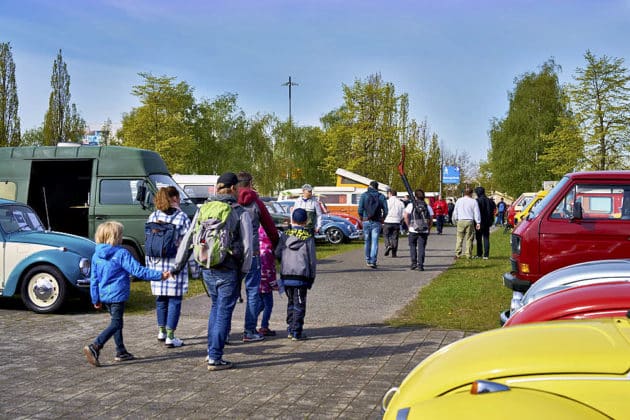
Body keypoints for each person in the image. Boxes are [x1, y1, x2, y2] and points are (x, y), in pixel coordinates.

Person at [83, 221, 169, 367]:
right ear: (115, 237)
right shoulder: (121, 253)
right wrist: (160, 275)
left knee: (116, 322)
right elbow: (138, 271)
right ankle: (96, 346)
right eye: (121, 235)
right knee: (116, 323)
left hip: (105, 295)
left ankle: (121, 351)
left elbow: (94, 279)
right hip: (118, 295)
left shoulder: (96, 255)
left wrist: (95, 298)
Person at [202, 172, 253, 371]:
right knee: (223, 311)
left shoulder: (204, 208)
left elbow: (191, 237)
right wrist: (244, 271)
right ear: (233, 189)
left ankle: (210, 352)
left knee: (215, 307)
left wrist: (179, 265)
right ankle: (215, 357)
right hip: (229, 268)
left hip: (207, 266)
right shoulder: (240, 212)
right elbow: (248, 247)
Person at [146, 186, 191, 348]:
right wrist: (194, 267)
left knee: (160, 299)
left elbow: (149, 243)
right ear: (174, 198)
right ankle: (171, 336)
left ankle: (162, 331)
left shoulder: (153, 216)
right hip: (174, 265)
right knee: (174, 300)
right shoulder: (182, 217)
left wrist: (149, 267)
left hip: (156, 265)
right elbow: (188, 245)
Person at [236, 171, 279, 343]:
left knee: (229, 294)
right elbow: (270, 228)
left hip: (232, 253)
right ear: (250, 182)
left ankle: (222, 333)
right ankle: (249, 330)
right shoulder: (256, 202)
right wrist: (275, 246)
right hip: (252, 252)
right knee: (253, 292)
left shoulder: (229, 201)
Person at [275, 208, 316, 341]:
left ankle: (290, 328)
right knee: (299, 304)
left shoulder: (285, 235)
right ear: (305, 221)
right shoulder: (308, 237)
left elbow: (277, 253)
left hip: (286, 275)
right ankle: (296, 331)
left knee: (291, 302)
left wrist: (285, 262)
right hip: (301, 275)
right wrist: (311, 277)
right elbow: (311, 259)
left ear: (292, 220)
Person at [358, 180, 388, 268]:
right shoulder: (381, 196)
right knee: (375, 241)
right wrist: (383, 218)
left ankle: (368, 260)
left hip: (366, 220)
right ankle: (373, 261)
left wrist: (361, 217)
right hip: (377, 221)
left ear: (370, 186)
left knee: (367, 241)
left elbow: (360, 209)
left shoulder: (364, 195)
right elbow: (386, 210)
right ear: (377, 187)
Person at [403, 189, 434, 271]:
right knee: (421, 247)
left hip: (413, 229)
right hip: (424, 230)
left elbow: (405, 216)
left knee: (412, 246)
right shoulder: (427, 206)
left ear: (415, 196)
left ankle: (413, 263)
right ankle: (420, 265)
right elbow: (431, 219)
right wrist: (429, 228)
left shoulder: (411, 205)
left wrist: (408, 225)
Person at [256, 225, 278, 336]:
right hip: (265, 283)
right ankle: (264, 326)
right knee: (268, 304)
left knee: (260, 304)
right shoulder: (267, 250)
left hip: (257, 282)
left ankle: (251, 323)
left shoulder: (257, 247)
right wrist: (273, 283)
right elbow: (268, 269)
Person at [452, 188, 481, 259]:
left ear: (464, 193)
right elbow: (476, 212)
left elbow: (455, 211)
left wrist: (455, 220)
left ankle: (457, 254)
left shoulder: (459, 200)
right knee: (469, 238)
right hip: (469, 221)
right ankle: (468, 254)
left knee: (459, 238)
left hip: (461, 220)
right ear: (471, 193)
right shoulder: (473, 201)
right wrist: (478, 222)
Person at [474, 187, 495, 260]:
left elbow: (476, 212)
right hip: (487, 222)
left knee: (478, 238)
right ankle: (486, 255)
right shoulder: (490, 201)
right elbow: (493, 210)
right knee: (486, 238)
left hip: (479, 222)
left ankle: (479, 254)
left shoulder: (477, 201)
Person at [382, 189, 405, 257]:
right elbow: (403, 214)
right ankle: (394, 254)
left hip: (387, 221)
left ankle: (388, 245)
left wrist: (383, 218)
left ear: (390, 194)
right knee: (395, 238)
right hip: (397, 222)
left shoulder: (387, 202)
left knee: (386, 235)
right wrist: (400, 220)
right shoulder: (401, 203)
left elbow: (383, 211)